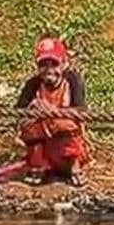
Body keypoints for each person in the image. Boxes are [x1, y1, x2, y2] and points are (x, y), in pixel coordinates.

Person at [16, 36, 88, 187]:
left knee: (67, 124)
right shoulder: (33, 84)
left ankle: (75, 168)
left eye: (54, 64)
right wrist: (33, 111)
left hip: (66, 144)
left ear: (64, 64)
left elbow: (81, 114)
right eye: (43, 65)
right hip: (44, 143)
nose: (49, 70)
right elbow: (18, 116)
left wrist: (51, 112)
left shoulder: (73, 80)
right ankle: (38, 167)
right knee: (30, 127)